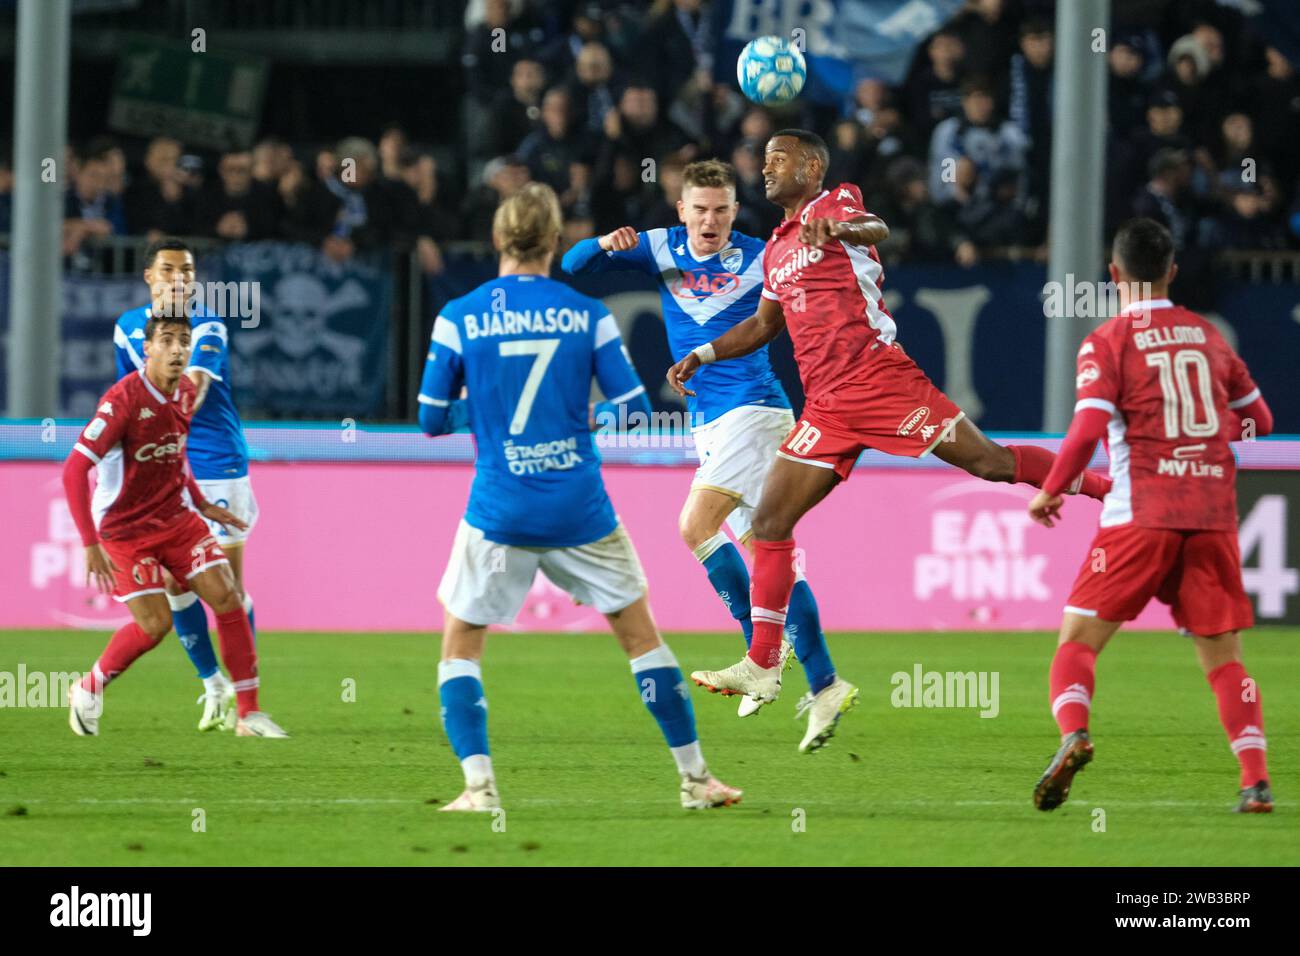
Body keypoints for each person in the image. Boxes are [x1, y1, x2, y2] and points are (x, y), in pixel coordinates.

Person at [666, 130, 1111, 704]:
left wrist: (840, 229)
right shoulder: (776, 248)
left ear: (813, 165)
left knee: (993, 464)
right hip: (825, 406)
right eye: (766, 159)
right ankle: (762, 665)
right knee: (772, 523)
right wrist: (703, 354)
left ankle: (1110, 489)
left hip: (880, 382)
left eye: (781, 159)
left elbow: (878, 229)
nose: (767, 167)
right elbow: (762, 327)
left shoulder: (836, 203)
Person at [418, 182, 740, 811]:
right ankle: (697, 780)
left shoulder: (459, 314)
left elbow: (430, 417)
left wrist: (485, 411)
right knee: (641, 638)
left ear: (497, 239)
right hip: (579, 506)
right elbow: (632, 410)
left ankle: (479, 788)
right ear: (556, 239)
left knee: (461, 643)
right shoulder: (585, 314)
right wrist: (580, 421)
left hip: (499, 508)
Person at [562, 158, 854, 752]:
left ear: (734, 211)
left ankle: (759, 656)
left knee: (695, 523)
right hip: (712, 426)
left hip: (755, 412)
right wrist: (602, 242)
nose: (710, 221)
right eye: (699, 209)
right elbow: (570, 267)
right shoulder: (660, 248)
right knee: (768, 555)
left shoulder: (761, 255)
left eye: (721, 209)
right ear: (681, 211)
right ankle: (824, 684)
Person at [1026, 218, 1274, 814]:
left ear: (1113, 276)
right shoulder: (1210, 336)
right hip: (1211, 514)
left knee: (1076, 645)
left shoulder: (1108, 340)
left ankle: (1075, 734)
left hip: (1140, 516)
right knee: (1224, 661)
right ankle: (1255, 781)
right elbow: (1259, 423)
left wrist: (1052, 489)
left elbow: (1088, 426)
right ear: (1173, 272)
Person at [63, 313, 286, 738]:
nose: (177, 349)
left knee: (227, 594)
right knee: (154, 626)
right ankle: (88, 688)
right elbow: (74, 470)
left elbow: (172, 457)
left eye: (184, 341)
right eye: (166, 340)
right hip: (125, 531)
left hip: (176, 519)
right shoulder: (121, 402)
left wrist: (203, 504)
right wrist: (90, 544)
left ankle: (249, 714)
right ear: (146, 349)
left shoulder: (185, 393)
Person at [114, 238, 258, 731]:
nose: (180, 278)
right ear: (150, 277)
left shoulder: (209, 324)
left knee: (227, 588)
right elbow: (124, 399)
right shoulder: (126, 329)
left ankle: (248, 705)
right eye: (169, 269)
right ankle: (212, 683)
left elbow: (190, 390)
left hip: (216, 464)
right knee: (177, 582)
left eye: (188, 270)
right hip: (163, 469)